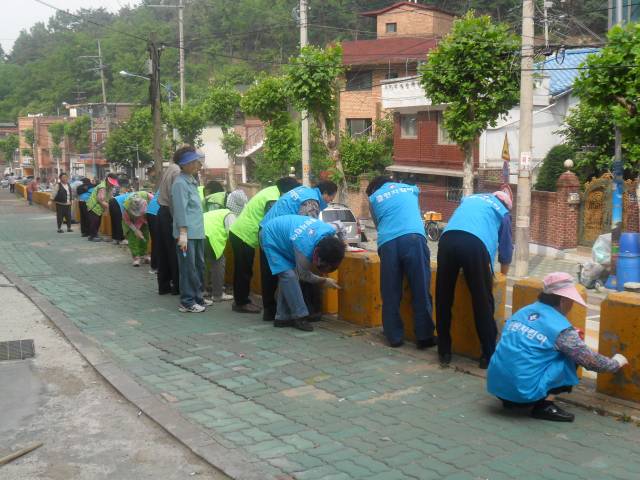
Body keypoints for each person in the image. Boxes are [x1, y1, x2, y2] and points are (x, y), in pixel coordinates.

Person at [488, 272, 628, 422]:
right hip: (523, 393)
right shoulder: (562, 330)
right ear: (563, 301)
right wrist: (616, 363)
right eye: (571, 300)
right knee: (570, 355)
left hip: (497, 386)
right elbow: (590, 361)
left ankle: (511, 399)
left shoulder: (523, 312)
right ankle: (544, 406)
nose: (572, 305)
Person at [436, 189, 513, 369]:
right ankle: (487, 354)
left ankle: (444, 351)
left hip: (447, 239)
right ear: (507, 204)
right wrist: (502, 274)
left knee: (443, 297)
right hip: (474, 244)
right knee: (482, 300)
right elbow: (506, 251)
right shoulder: (503, 212)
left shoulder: (470, 199)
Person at [366, 176, 437, 350]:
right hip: (413, 237)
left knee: (390, 292)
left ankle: (394, 337)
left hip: (388, 243)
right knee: (420, 287)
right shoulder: (410, 188)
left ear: (375, 188)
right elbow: (414, 211)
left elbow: (378, 225)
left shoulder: (374, 198)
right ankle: (424, 336)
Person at [258, 181, 338, 322]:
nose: (330, 201)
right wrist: (323, 280)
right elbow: (308, 233)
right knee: (288, 274)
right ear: (324, 193)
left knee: (280, 274)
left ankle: (277, 314)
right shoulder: (311, 202)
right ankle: (301, 313)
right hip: (273, 235)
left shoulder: (304, 191)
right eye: (331, 198)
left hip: (273, 229)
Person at [228, 177, 300, 314]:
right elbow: (272, 222)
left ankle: (242, 300)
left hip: (242, 233)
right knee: (243, 271)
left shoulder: (272, 191)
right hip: (244, 234)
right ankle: (241, 303)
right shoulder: (272, 198)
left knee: (243, 270)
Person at [260, 215, 344, 331]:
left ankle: (282, 318)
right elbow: (303, 275)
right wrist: (323, 280)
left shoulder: (329, 231)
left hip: (286, 234)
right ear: (318, 255)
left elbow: (341, 227)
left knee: (287, 277)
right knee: (289, 276)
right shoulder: (304, 249)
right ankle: (300, 316)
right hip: (270, 236)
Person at [171, 146, 211, 313]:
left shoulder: (191, 181)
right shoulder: (180, 183)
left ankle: (198, 297)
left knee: (198, 266)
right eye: (193, 161)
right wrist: (183, 234)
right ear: (185, 164)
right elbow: (180, 210)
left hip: (197, 233)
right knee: (188, 268)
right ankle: (187, 301)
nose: (197, 164)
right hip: (186, 235)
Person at [202, 190, 248, 302]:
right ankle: (217, 294)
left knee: (201, 264)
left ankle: (202, 291)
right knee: (218, 263)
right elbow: (232, 234)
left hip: (197, 234)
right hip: (210, 237)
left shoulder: (220, 211)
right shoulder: (230, 215)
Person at [155, 153, 182, 295]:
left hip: (161, 212)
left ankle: (164, 285)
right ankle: (177, 286)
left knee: (163, 251)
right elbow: (174, 197)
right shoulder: (177, 171)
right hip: (169, 214)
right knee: (174, 251)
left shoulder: (170, 168)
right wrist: (178, 221)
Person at [122, 191, 153, 267]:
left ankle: (144, 254)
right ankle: (136, 257)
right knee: (133, 238)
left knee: (145, 236)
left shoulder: (147, 196)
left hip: (145, 220)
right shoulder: (126, 207)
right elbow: (127, 221)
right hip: (132, 221)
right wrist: (135, 230)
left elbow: (157, 202)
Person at [85, 173, 119, 242]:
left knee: (98, 222)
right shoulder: (102, 187)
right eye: (111, 183)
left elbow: (110, 197)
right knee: (94, 221)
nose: (112, 184)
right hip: (93, 206)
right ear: (107, 180)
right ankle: (92, 236)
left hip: (99, 208)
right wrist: (108, 206)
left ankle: (95, 234)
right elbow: (100, 199)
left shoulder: (109, 187)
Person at [146, 191, 161, 273]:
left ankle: (154, 266)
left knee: (155, 241)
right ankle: (155, 266)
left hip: (150, 212)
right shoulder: (175, 182)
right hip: (156, 212)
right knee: (158, 241)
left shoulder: (165, 183)